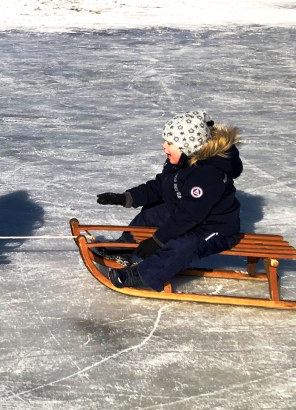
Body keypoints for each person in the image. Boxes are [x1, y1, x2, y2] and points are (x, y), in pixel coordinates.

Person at [94, 111, 243, 291]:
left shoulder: (207, 175)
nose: (164, 146)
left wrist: (157, 240)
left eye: (170, 143)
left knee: (183, 244)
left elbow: (189, 216)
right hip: (190, 215)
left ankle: (144, 276)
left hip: (214, 229)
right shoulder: (181, 161)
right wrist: (126, 197)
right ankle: (125, 247)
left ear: (188, 146)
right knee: (153, 211)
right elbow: (161, 186)